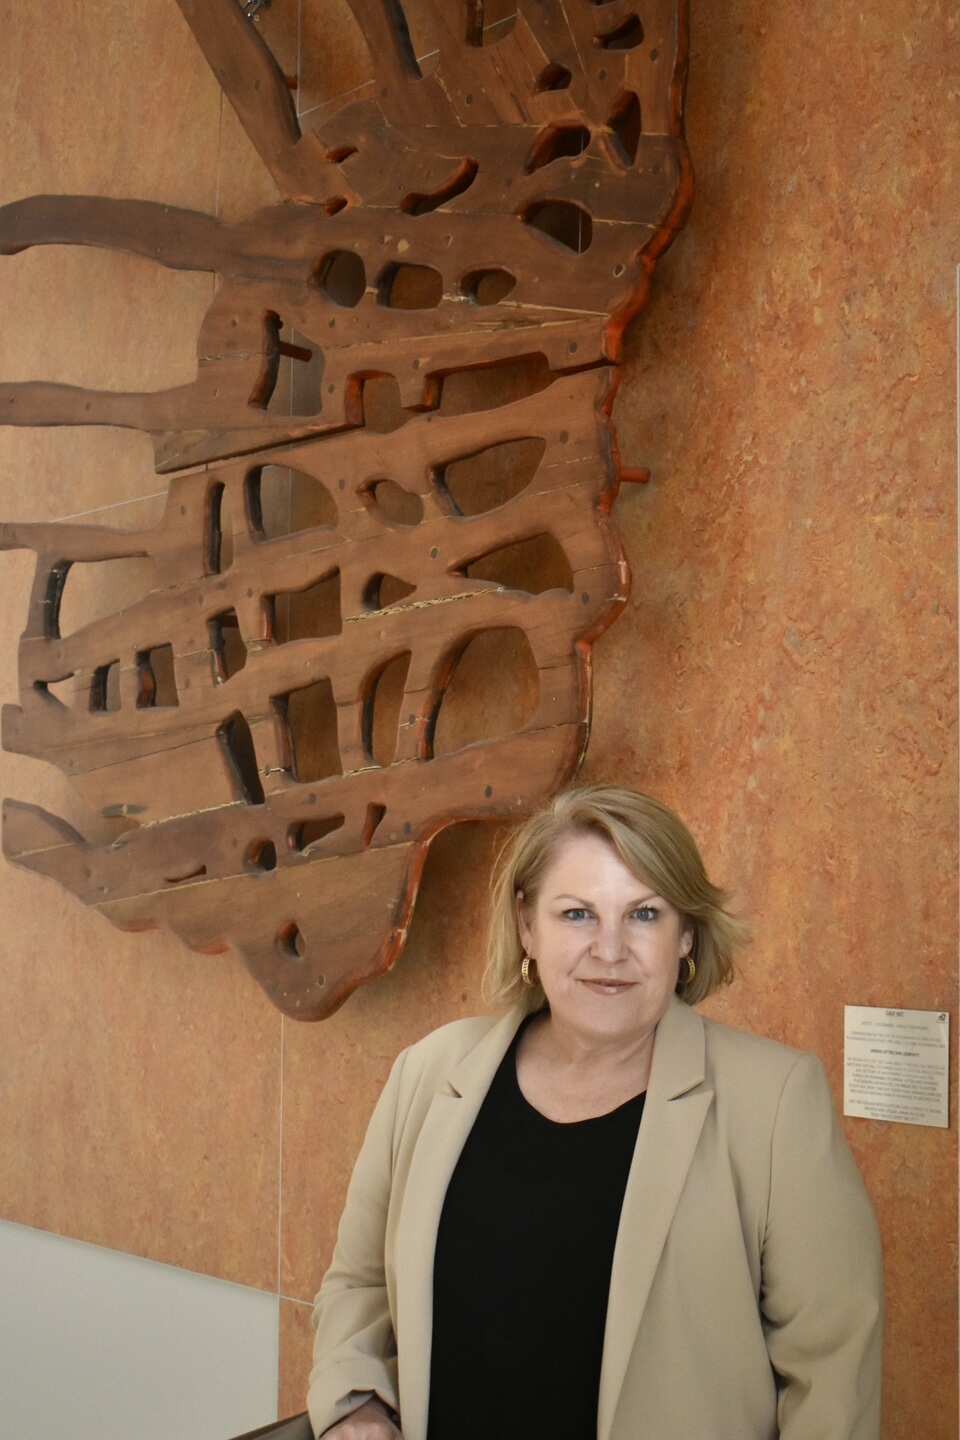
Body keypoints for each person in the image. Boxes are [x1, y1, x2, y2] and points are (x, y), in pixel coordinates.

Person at [307, 785, 884, 1439]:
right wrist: (357, 1404)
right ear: (527, 924)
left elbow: (834, 1375)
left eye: (644, 915)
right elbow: (356, 1285)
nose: (610, 951)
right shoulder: (429, 1073)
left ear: (686, 934)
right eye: (577, 914)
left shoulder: (775, 1102)